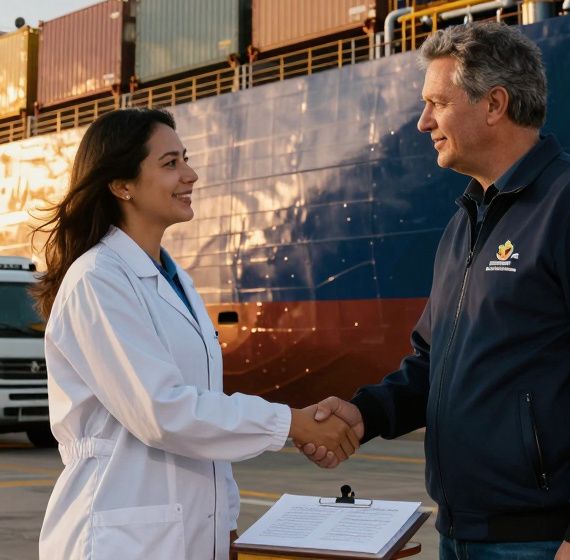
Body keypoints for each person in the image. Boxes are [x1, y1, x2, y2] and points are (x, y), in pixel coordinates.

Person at [299, 22, 570, 560]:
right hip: (463, 535)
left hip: (549, 540)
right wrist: (367, 414)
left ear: (494, 103)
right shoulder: (467, 221)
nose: (423, 122)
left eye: (436, 104)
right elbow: (434, 362)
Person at [35, 108, 360, 560]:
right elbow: (161, 412)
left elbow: (202, 417)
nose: (191, 174)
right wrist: (291, 422)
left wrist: (223, 524)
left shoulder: (176, 280)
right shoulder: (97, 278)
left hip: (186, 538)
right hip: (118, 538)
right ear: (121, 184)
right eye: (170, 163)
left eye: (184, 159)